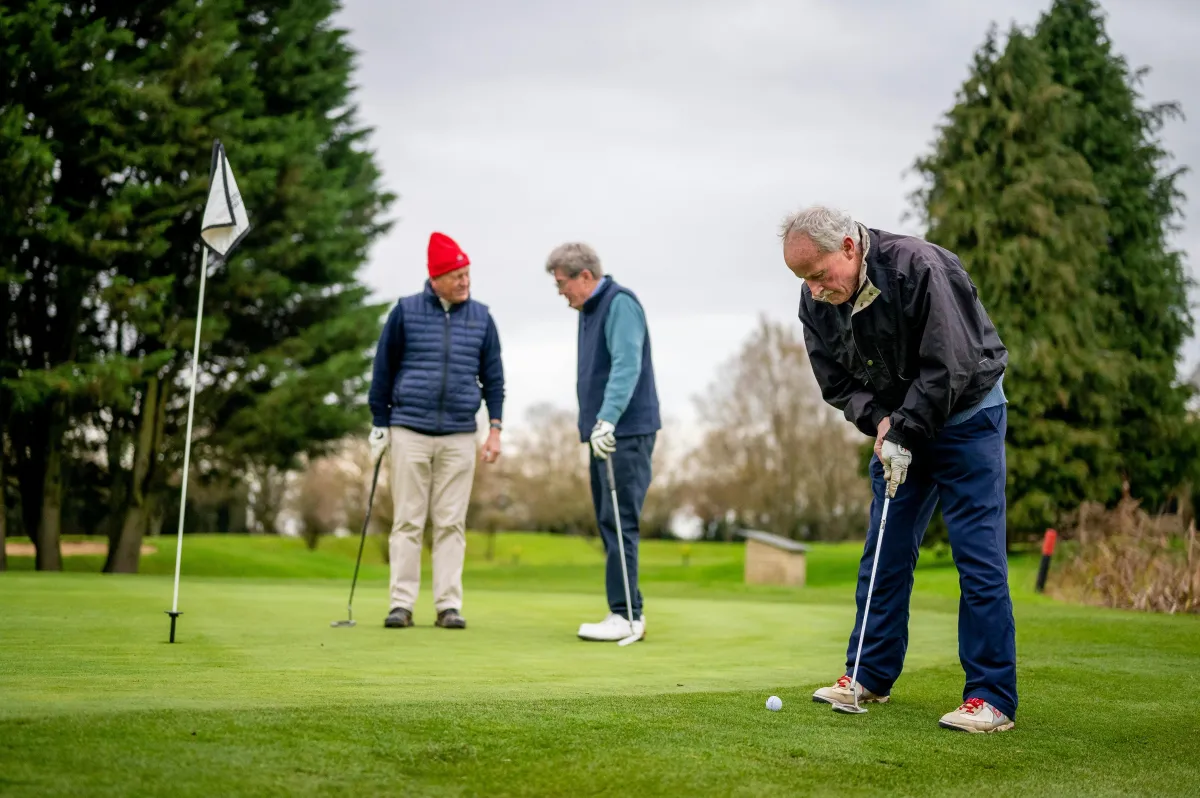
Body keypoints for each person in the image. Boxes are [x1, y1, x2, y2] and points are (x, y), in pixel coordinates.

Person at [780, 205, 1016, 733]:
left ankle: (991, 697)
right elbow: (836, 382)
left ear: (847, 247)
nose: (815, 291)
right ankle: (867, 674)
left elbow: (950, 362)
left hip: (968, 417)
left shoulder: (918, 266)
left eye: (818, 276)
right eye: (803, 281)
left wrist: (903, 428)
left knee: (977, 558)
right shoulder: (816, 299)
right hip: (899, 429)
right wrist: (883, 422)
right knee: (884, 551)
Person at [367, 231, 505, 630]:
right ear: (437, 277)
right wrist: (379, 423)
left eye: (467, 274)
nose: (465, 281)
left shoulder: (482, 318)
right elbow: (383, 370)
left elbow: (494, 379)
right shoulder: (405, 312)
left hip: (461, 433)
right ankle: (402, 605)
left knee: (450, 522)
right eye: (457, 275)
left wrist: (494, 428)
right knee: (408, 520)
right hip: (409, 429)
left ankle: (448, 605)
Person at [545, 242, 660, 642]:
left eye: (563, 283)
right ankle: (622, 610)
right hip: (605, 432)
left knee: (619, 519)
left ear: (586, 277)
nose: (561, 292)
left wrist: (608, 419)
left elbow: (627, 364)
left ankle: (628, 616)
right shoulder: (589, 310)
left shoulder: (619, 304)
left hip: (624, 431)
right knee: (608, 521)